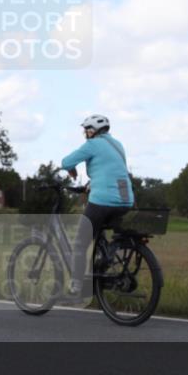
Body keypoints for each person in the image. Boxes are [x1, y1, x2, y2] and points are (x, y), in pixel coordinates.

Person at [61, 114, 133, 296]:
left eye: (86, 130)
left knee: (81, 242)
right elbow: (113, 171)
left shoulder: (92, 144)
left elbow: (66, 162)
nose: (85, 134)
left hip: (103, 201)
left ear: (92, 130)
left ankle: (77, 284)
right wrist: (92, 184)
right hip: (126, 200)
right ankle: (104, 263)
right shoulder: (118, 145)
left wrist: (71, 169)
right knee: (102, 236)